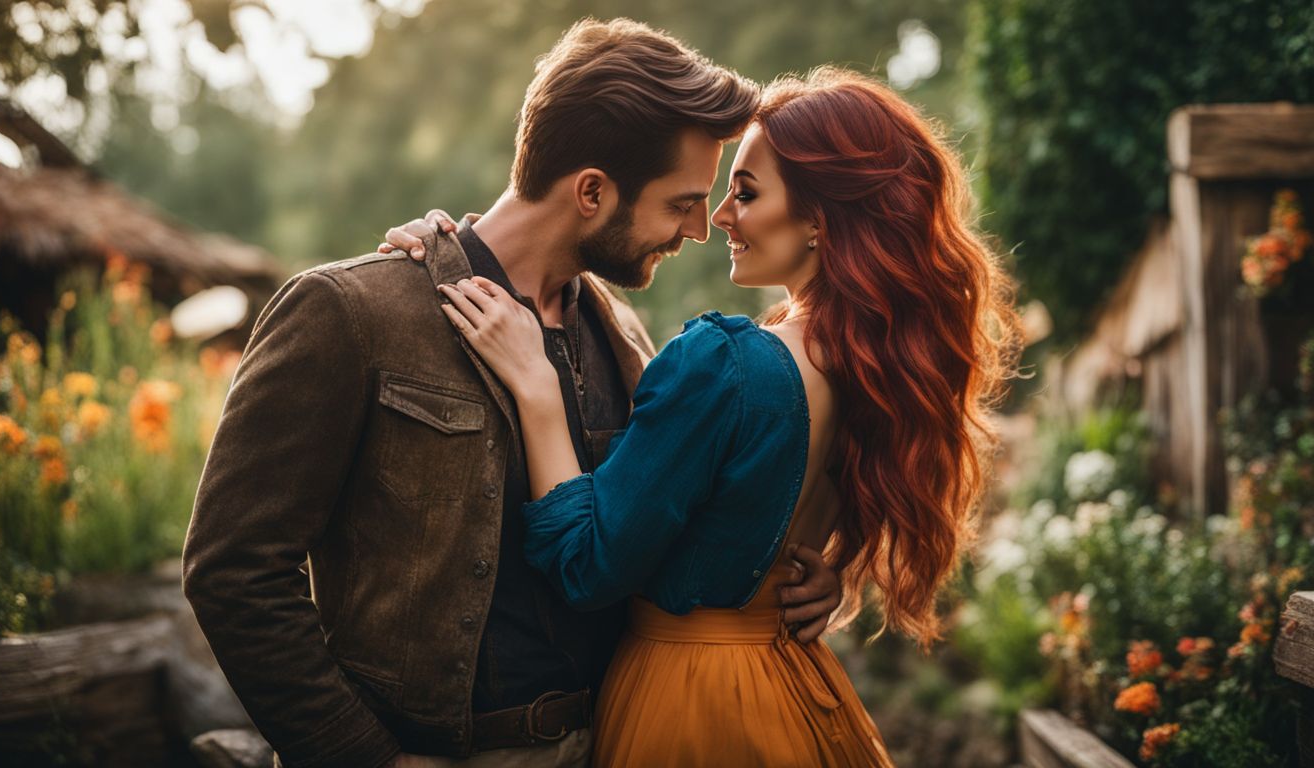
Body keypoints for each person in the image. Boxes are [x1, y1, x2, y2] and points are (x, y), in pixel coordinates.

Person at [183, 19, 844, 768]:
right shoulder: (350, 313)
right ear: (591, 191)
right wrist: (365, 758)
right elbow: (233, 569)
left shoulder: (629, 341)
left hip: (610, 740)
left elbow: (651, 538)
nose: (700, 228)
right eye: (681, 203)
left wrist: (803, 575)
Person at [429, 67, 1022, 767]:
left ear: (819, 219)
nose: (718, 217)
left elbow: (586, 566)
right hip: (792, 685)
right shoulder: (877, 367)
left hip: (690, 701)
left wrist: (536, 389)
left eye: (746, 192)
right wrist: (823, 575)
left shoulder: (726, 365)